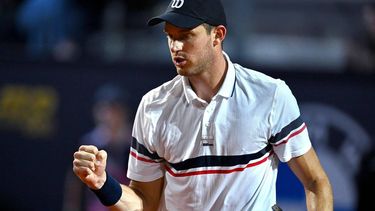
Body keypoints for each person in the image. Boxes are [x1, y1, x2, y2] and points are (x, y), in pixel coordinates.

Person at [72, 0, 333, 210]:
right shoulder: (153, 107)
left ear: (217, 35)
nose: (175, 46)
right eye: (169, 36)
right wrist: (104, 184)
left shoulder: (270, 95)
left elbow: (314, 181)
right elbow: (144, 203)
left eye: (185, 36)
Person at [64, 84, 132, 211]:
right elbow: (75, 185)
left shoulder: (136, 143)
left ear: (123, 113)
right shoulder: (88, 143)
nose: (108, 116)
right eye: (103, 109)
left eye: (114, 110)